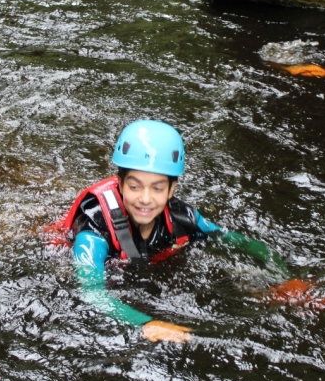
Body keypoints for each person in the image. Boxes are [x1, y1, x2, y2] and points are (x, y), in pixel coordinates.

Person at [56, 120, 288, 344]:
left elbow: (235, 241)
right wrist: (146, 324)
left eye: (157, 188)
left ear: (171, 190)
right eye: (135, 186)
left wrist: (285, 277)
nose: (145, 199)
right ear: (120, 184)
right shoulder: (94, 233)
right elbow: (92, 294)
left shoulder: (182, 217)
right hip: (86, 261)